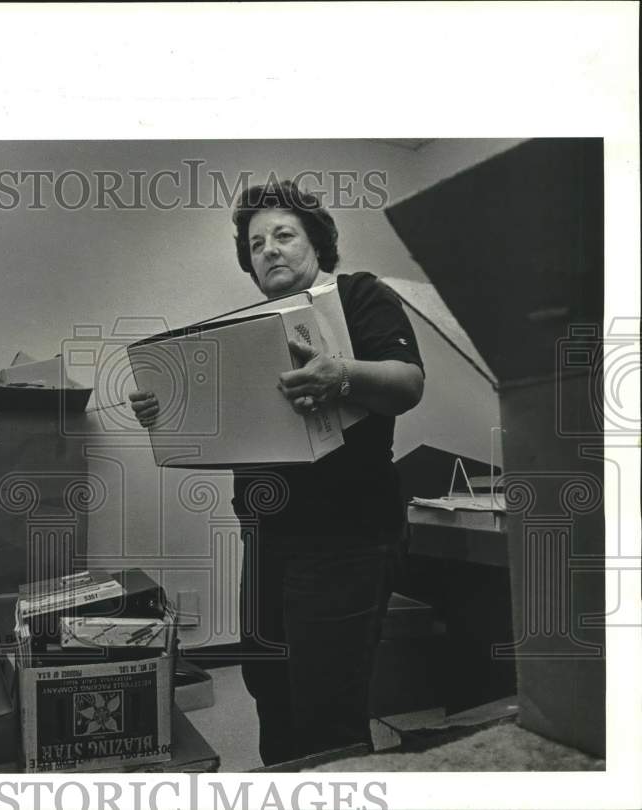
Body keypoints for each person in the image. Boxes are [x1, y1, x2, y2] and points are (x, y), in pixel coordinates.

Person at [129, 179, 424, 766]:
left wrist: (339, 372)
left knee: (327, 704)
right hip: (265, 537)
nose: (269, 249)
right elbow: (227, 431)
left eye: (284, 234)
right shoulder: (246, 330)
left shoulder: (361, 294)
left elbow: (408, 383)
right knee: (270, 688)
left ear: (316, 241)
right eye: (257, 242)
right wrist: (168, 413)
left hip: (346, 536)